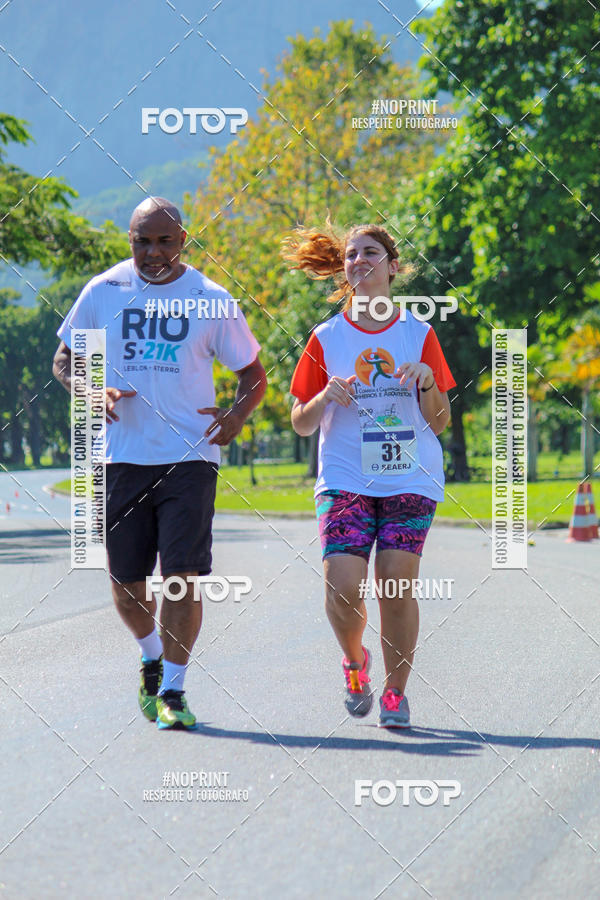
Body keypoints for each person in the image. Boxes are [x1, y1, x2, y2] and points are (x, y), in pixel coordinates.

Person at [53, 197, 266, 730]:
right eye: (141, 241)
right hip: (120, 457)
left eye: (164, 241)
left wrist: (237, 415)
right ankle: (151, 655)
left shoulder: (211, 300)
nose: (152, 253)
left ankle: (173, 688)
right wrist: (88, 388)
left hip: (189, 457)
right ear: (130, 241)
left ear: (183, 241)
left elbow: (252, 373)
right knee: (126, 584)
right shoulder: (104, 291)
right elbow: (66, 359)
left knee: (180, 578)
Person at [286, 222, 455, 728]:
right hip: (345, 478)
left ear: (392, 266)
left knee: (396, 587)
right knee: (342, 588)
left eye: (371, 252)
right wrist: (324, 397)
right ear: (344, 268)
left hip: (409, 477)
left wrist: (427, 383)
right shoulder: (326, 337)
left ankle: (396, 693)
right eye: (352, 254)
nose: (359, 260)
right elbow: (300, 422)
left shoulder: (418, 334)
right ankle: (355, 662)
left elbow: (440, 421)